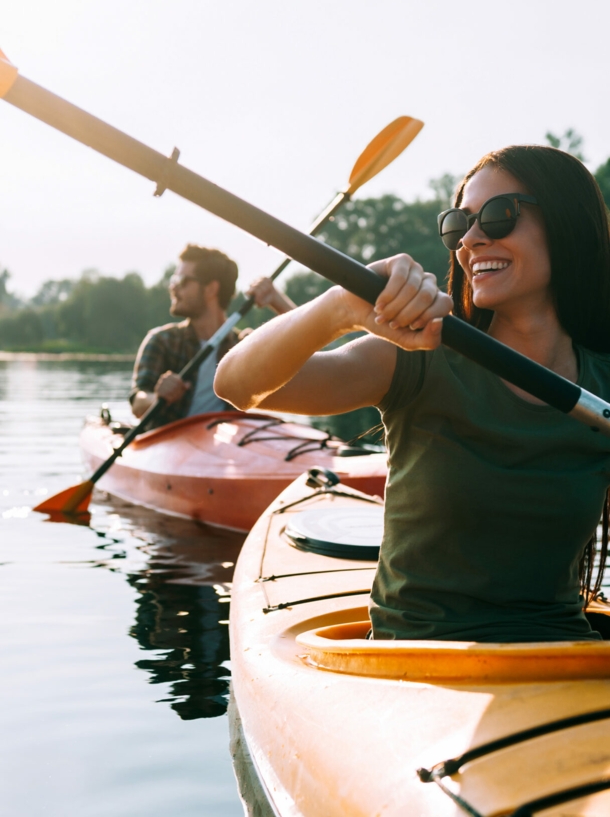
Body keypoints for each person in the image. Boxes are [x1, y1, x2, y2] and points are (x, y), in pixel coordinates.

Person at [214, 145, 610, 643]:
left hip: (564, 660)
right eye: (457, 224)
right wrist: (341, 308)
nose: (469, 239)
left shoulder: (603, 385)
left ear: (568, 224)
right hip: (417, 663)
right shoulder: (416, 356)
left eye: (498, 215)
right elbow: (235, 385)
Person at [130, 244, 294, 428]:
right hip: (167, 445)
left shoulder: (243, 347)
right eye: (173, 280)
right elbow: (137, 403)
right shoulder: (162, 341)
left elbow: (306, 344)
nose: (173, 288)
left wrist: (276, 300)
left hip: (223, 448)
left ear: (210, 289)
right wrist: (157, 397)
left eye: (182, 281)